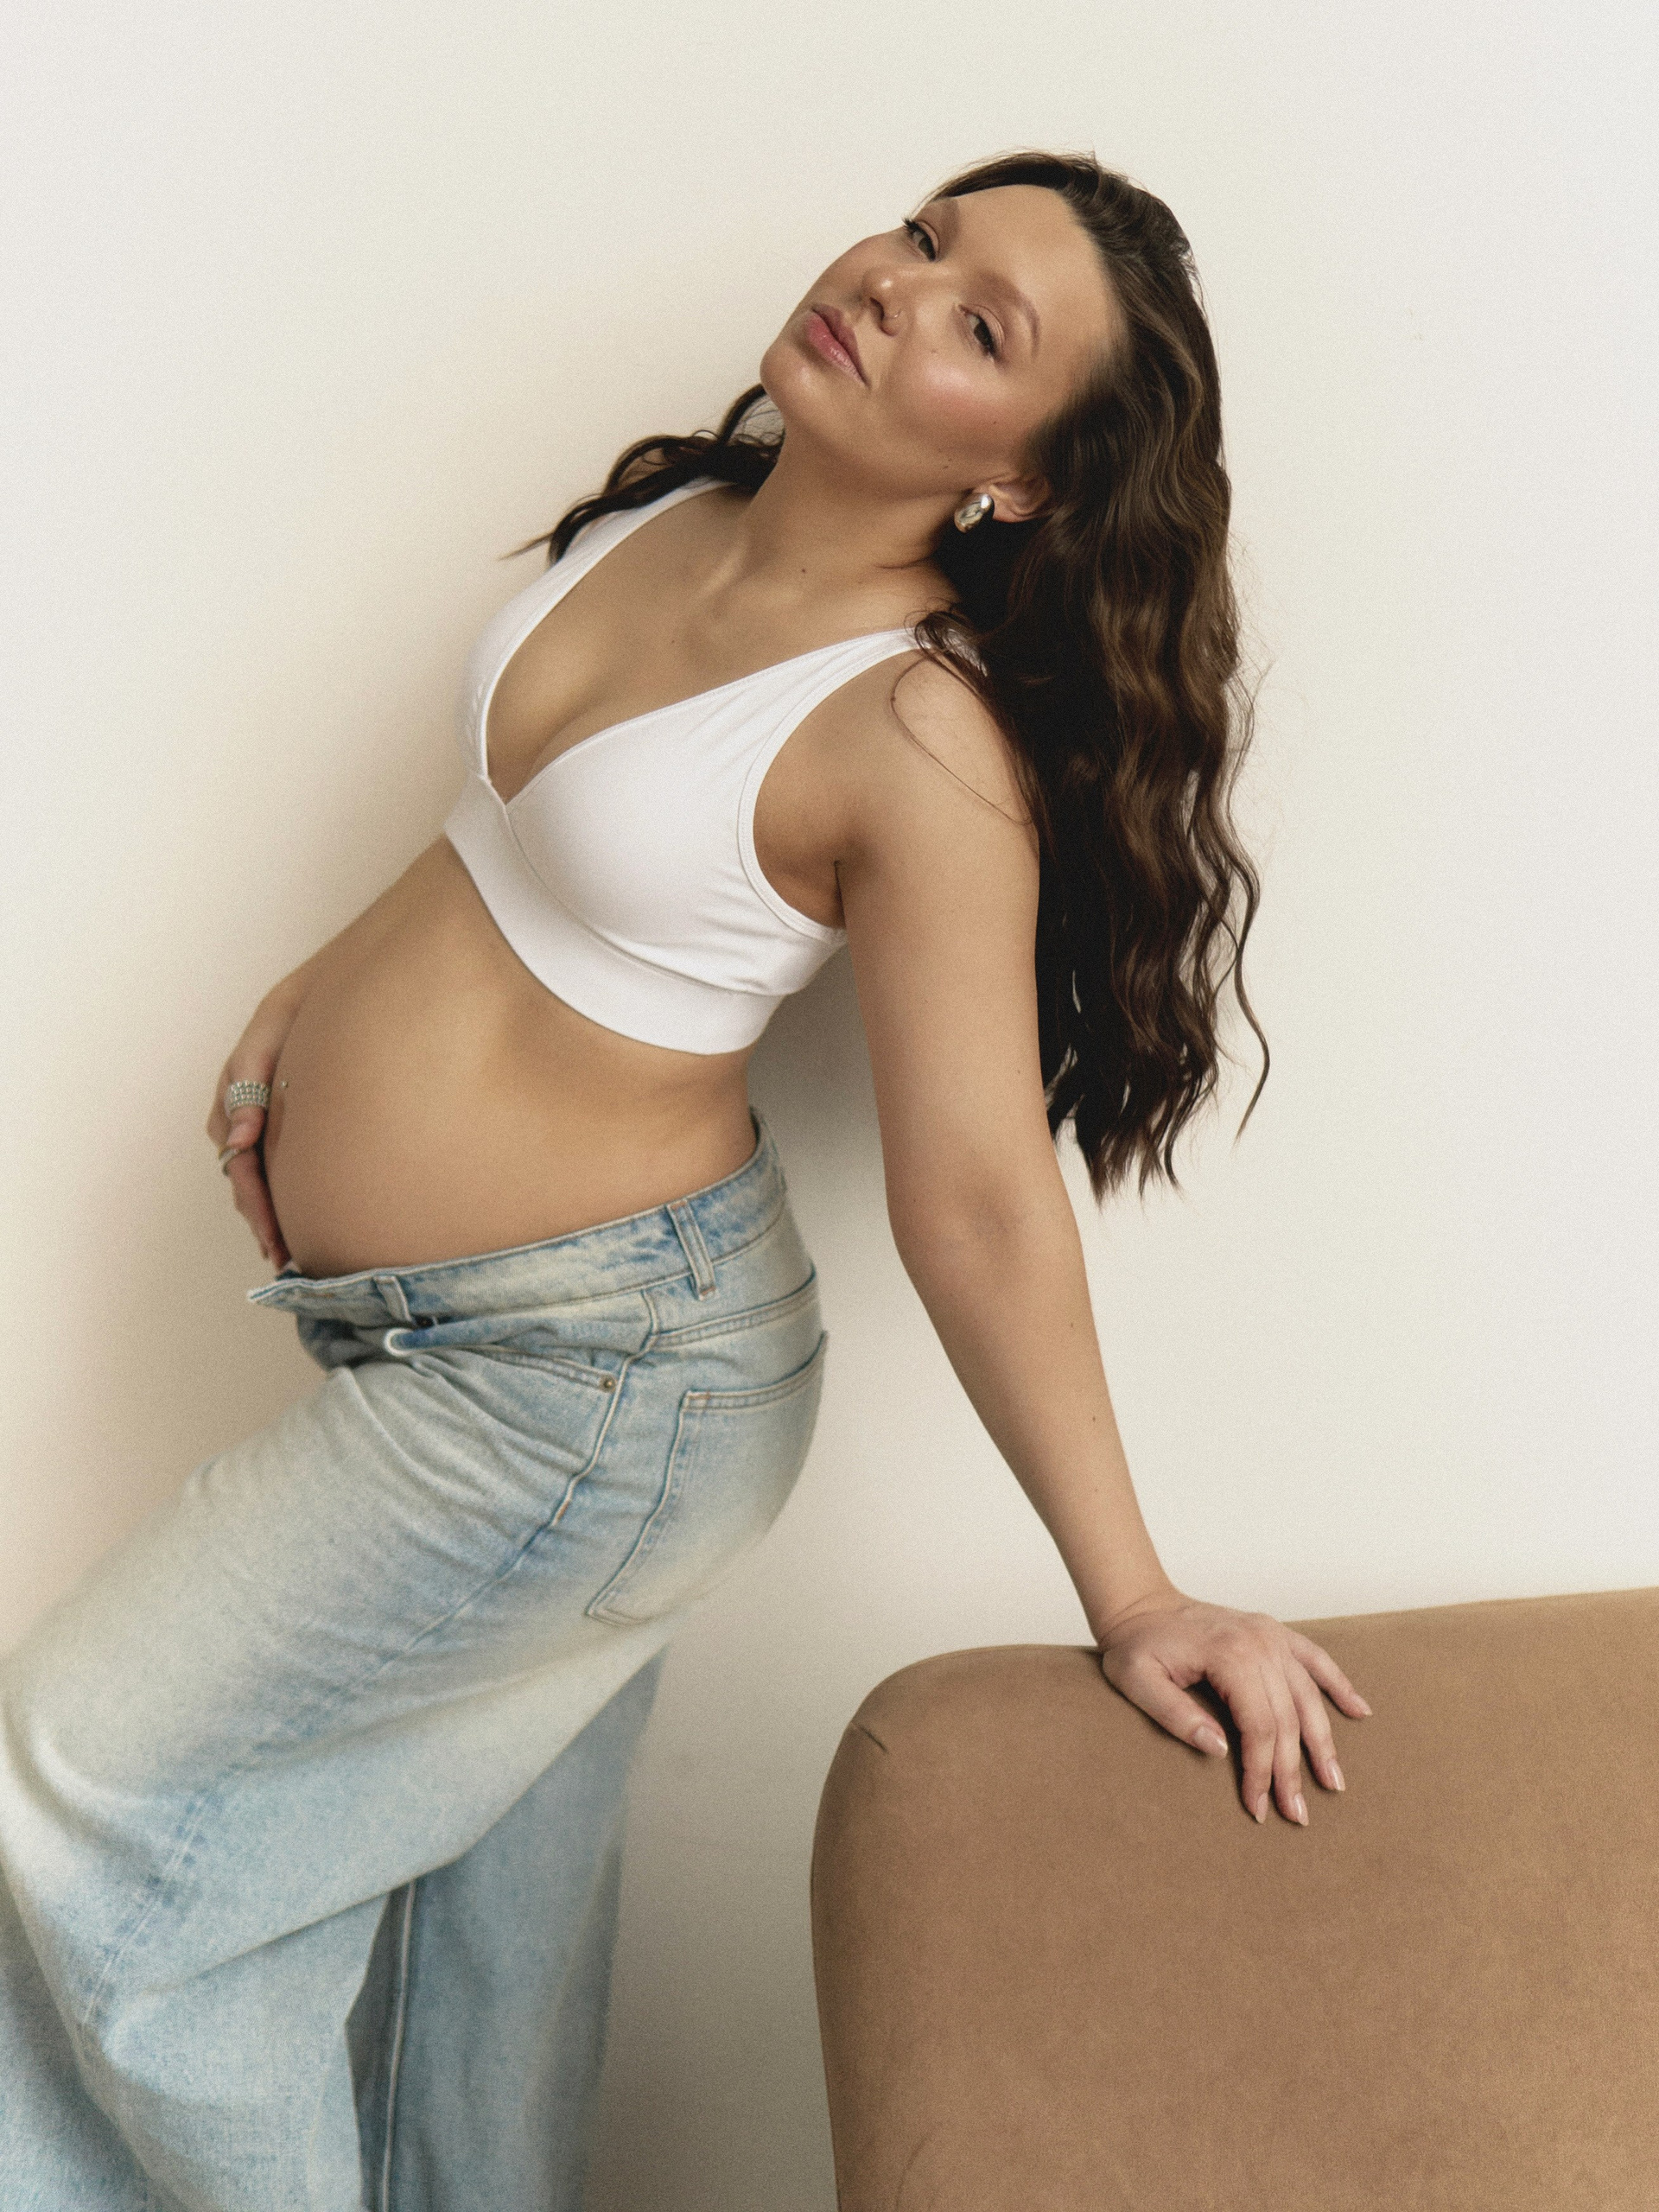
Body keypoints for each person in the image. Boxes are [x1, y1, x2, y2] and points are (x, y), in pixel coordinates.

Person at [0, 150, 1371, 2212]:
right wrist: (322, 990)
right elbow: (522, 826)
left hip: (591, 1396)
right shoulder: (676, 520)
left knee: (91, 1789)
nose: (896, 289)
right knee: (464, 1999)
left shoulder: (917, 739)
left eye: (980, 325)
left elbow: (979, 1197)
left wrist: (1136, 1590)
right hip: (463, 1349)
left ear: (1024, 479)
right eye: (926, 237)